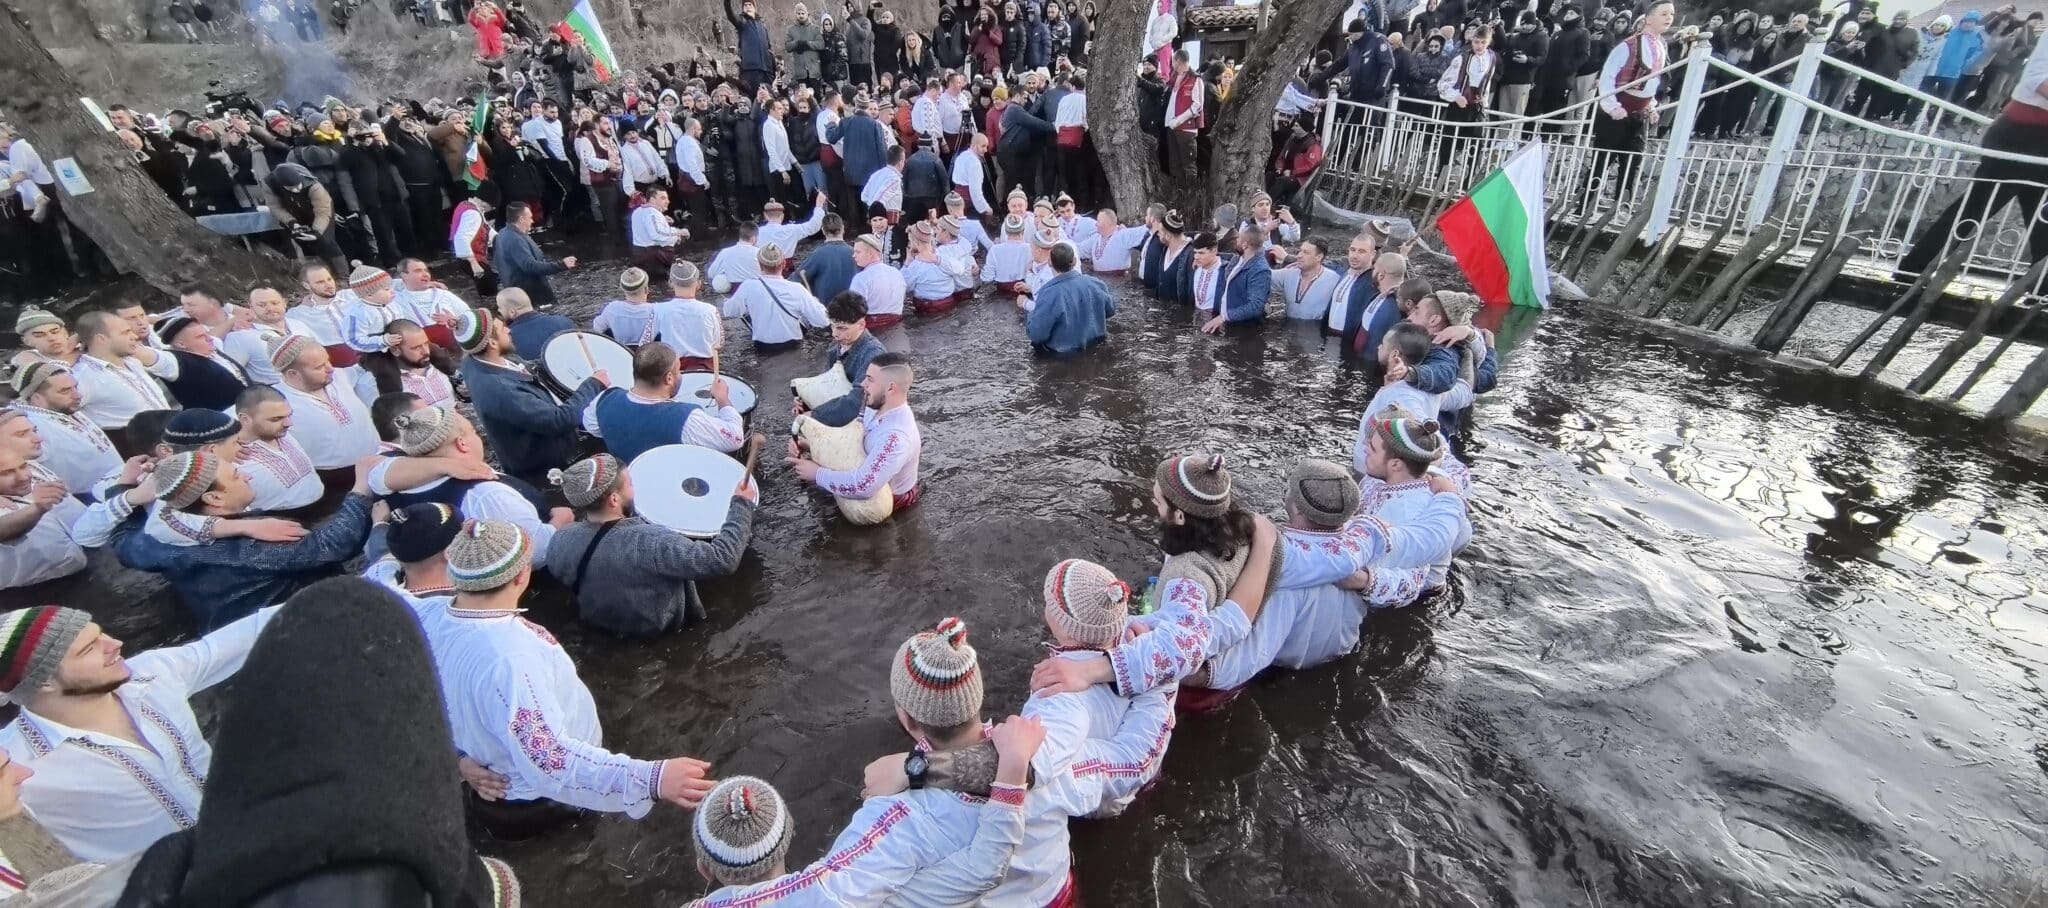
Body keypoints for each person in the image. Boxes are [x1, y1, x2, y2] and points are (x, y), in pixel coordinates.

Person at [417, 517, 717, 836]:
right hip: (538, 798)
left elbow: (414, 696)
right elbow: (553, 761)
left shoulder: (423, 616)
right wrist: (654, 778)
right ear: (522, 576)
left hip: (491, 770)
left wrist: (459, 757)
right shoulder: (511, 658)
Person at [685, 670, 1047, 906]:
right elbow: (983, 869)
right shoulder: (845, 881)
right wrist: (1010, 768)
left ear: (705, 870)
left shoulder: (875, 834)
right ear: (790, 830)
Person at [0, 603, 280, 862]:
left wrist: (321, 593)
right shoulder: (15, 765)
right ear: (44, 683)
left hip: (255, 835)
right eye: (88, 649)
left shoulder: (149, 675)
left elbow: (247, 635)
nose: (114, 644)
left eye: (101, 634)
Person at [110, 448, 374, 628]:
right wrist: (361, 489)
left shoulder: (157, 540)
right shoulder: (251, 545)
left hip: (219, 623)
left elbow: (122, 541)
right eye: (235, 475)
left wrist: (124, 488)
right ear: (214, 498)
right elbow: (331, 545)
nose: (246, 475)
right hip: (281, 626)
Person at [1897, 21, 2048, 279]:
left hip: (2040, 141)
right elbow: (2037, 79)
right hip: (2020, 135)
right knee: (1976, 207)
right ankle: (1914, 269)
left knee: (2043, 217)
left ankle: (2041, 289)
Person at [546, 453, 756, 637]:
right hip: (662, 635)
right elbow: (723, 559)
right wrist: (741, 504)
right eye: (630, 484)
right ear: (614, 499)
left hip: (601, 627)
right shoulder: (652, 542)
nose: (634, 487)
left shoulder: (559, 541)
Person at [369, 405, 569, 567]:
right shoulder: (486, 494)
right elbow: (536, 553)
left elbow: (376, 474)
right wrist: (560, 520)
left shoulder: (391, 482)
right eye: (473, 432)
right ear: (462, 444)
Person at [460, 309, 610, 486]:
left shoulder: (475, 361)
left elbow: (527, 369)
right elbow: (558, 421)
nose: (509, 330)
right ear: (492, 343)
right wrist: (593, 384)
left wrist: (560, 356)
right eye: (502, 329)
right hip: (543, 468)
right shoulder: (502, 390)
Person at [787, 351, 922, 512]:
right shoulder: (874, 407)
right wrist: (812, 445)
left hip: (886, 504)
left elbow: (864, 486)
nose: (863, 384)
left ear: (891, 388)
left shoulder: (896, 437)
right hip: (867, 476)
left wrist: (817, 474)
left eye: (870, 380)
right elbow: (853, 443)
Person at [581, 343, 748, 462]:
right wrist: (722, 399)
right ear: (669, 378)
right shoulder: (687, 419)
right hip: (672, 491)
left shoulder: (603, 400)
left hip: (627, 488)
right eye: (679, 370)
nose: (680, 375)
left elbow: (593, 428)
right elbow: (735, 438)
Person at [270, 334, 380, 495]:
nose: (330, 368)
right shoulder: (274, 401)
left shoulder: (338, 376)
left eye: (327, 361)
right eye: (319, 367)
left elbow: (363, 368)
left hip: (378, 462)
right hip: (335, 482)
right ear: (293, 374)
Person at [1592, 2, 1673, 199]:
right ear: (1649, 19)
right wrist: (1612, 107)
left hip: (1640, 114)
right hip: (1618, 110)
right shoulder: (1627, 46)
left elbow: (1652, 81)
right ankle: (1584, 203)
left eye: (1671, 14)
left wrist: (1652, 106)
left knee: (1632, 163)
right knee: (1602, 161)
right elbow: (1608, 77)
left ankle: (1621, 205)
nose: (1669, 18)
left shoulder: (1661, 46)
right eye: (1663, 14)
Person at [70, 312, 177, 448]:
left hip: (173, 437)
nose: (134, 336)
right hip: (141, 454)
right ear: (101, 339)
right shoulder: (82, 378)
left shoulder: (133, 361)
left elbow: (172, 367)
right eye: (125, 332)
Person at [9, 365, 120, 493]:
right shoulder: (31, 426)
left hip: (117, 486)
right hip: (91, 500)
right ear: (36, 398)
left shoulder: (66, 409)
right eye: (65, 391)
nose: (77, 395)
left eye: (75, 387)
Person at [0, 446, 87, 591]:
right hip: (32, 594)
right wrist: (37, 508)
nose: (23, 476)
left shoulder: (30, 481)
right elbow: (3, 530)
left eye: (23, 466)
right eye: (6, 473)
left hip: (79, 573)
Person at [231, 385, 323, 515]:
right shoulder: (230, 456)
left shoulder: (280, 432)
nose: (288, 423)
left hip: (324, 506)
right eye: (276, 419)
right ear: (245, 419)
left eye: (289, 415)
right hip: (281, 522)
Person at [725, 249, 831, 351]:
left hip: (761, 347)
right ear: (784, 264)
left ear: (760, 265)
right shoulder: (797, 289)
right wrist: (816, 302)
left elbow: (729, 312)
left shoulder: (748, 286)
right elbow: (823, 321)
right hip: (793, 346)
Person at [1025, 243, 1114, 357]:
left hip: (1063, 357)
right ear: (1075, 261)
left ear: (1049, 262)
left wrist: (1031, 314)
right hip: (1096, 350)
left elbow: (1037, 335)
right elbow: (1110, 310)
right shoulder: (1095, 283)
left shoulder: (1048, 293)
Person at [355, 318, 458, 412]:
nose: (425, 351)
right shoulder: (372, 385)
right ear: (395, 350)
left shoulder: (440, 365)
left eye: (426, 343)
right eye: (416, 348)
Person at [492, 201, 579, 307]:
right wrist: (561, 264)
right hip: (531, 295)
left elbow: (498, 263)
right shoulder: (515, 239)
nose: (532, 221)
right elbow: (530, 266)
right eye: (530, 218)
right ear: (521, 219)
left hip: (517, 292)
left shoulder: (501, 235)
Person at [155, 315, 250, 411]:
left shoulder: (213, 346)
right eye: (200, 336)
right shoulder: (178, 363)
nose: (209, 338)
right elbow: (157, 360)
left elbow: (216, 336)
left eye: (206, 333)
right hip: (219, 418)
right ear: (181, 344)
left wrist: (233, 320)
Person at [654, 261, 727, 371]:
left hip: (673, 370)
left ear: (670, 283)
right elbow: (719, 343)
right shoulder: (711, 310)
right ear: (698, 284)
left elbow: (645, 342)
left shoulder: (658, 310)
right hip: (705, 369)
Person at [1201, 225, 1274, 334]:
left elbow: (1255, 306)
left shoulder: (1260, 271)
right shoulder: (1239, 258)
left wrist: (1224, 317)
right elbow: (1226, 258)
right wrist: (1203, 257)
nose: (1236, 240)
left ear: (1245, 245)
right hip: (1230, 324)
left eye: (1239, 238)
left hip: (1247, 332)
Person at [498, 286, 578, 362]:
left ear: (512, 312)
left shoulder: (508, 338)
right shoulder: (563, 321)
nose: (499, 310)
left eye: (500, 307)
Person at [849, 233, 908, 330]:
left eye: (857, 252)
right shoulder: (897, 273)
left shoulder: (860, 278)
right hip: (897, 328)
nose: (853, 256)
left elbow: (853, 312)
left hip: (872, 332)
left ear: (870, 254)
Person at [800, 213, 860, 304]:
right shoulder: (855, 253)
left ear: (823, 230)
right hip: (853, 309)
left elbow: (799, 278)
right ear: (843, 228)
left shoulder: (818, 254)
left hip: (826, 310)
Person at [1276, 239, 1341, 322]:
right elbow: (1264, 276)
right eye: (1300, 251)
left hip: (1315, 329)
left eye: (1305, 252)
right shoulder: (1289, 273)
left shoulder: (1334, 280)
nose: (1299, 255)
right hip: (1288, 329)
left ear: (1319, 257)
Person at [595, 266, 663, 346]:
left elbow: (597, 329)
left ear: (623, 289)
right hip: (648, 356)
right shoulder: (658, 311)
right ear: (646, 289)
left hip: (623, 354)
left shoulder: (612, 309)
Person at [1164, 50, 1205, 180]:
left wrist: (1178, 120)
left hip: (1186, 129)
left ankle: (1190, 195)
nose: (1172, 64)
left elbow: (1197, 106)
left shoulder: (1195, 79)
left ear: (1178, 61)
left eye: (1173, 61)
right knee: (1174, 164)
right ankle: (1178, 193)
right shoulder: (1174, 77)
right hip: (1172, 127)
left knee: (1188, 165)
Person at [758, 192, 832, 257]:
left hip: (763, 270)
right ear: (782, 216)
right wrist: (819, 205)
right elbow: (813, 226)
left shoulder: (757, 232)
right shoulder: (792, 229)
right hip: (787, 270)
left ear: (765, 215)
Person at [11, 308, 79, 370]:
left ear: (65, 332)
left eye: (55, 332)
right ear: (26, 341)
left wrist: (83, 335)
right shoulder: (28, 357)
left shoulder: (84, 345)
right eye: (40, 335)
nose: (51, 338)